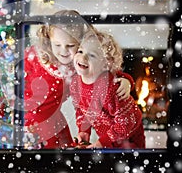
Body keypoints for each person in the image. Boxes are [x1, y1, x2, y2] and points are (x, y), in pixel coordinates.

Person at [23, 10, 135, 149]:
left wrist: (126, 80)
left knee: (67, 156)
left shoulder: (79, 63)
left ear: (81, 42)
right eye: (57, 45)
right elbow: (13, 81)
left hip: (55, 119)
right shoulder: (35, 58)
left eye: (70, 45)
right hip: (29, 120)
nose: (64, 51)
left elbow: (106, 68)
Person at [70, 27, 145, 149]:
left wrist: (104, 142)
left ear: (106, 63)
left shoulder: (112, 89)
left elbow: (126, 123)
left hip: (129, 137)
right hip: (109, 136)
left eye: (92, 55)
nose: (83, 58)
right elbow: (81, 110)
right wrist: (84, 131)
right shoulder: (75, 85)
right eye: (80, 51)